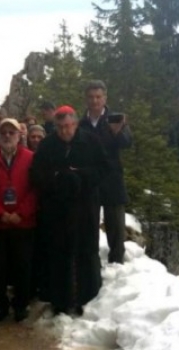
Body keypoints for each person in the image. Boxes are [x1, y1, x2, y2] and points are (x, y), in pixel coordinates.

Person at [30, 105, 108, 315]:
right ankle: (60, 300)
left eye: (68, 126)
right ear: (55, 127)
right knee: (57, 253)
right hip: (56, 209)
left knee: (86, 251)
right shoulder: (47, 145)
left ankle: (88, 297)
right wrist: (57, 178)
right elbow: (36, 174)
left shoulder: (91, 141)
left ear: (74, 124)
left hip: (85, 207)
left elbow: (103, 170)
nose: (65, 131)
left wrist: (80, 175)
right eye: (60, 127)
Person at [0, 118, 38, 322]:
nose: (7, 136)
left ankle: (21, 305)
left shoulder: (31, 158)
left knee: (23, 265)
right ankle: (0, 306)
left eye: (11, 132)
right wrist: (0, 213)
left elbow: (35, 189)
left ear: (19, 135)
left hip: (23, 223)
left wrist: (21, 213)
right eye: (4, 132)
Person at [78, 80, 132, 264]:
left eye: (98, 97)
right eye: (91, 97)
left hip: (112, 179)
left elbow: (127, 143)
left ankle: (117, 263)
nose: (95, 101)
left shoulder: (115, 119)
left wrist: (117, 132)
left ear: (105, 98)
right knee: (89, 224)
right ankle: (91, 263)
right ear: (86, 99)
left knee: (115, 226)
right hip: (89, 180)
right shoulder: (81, 122)